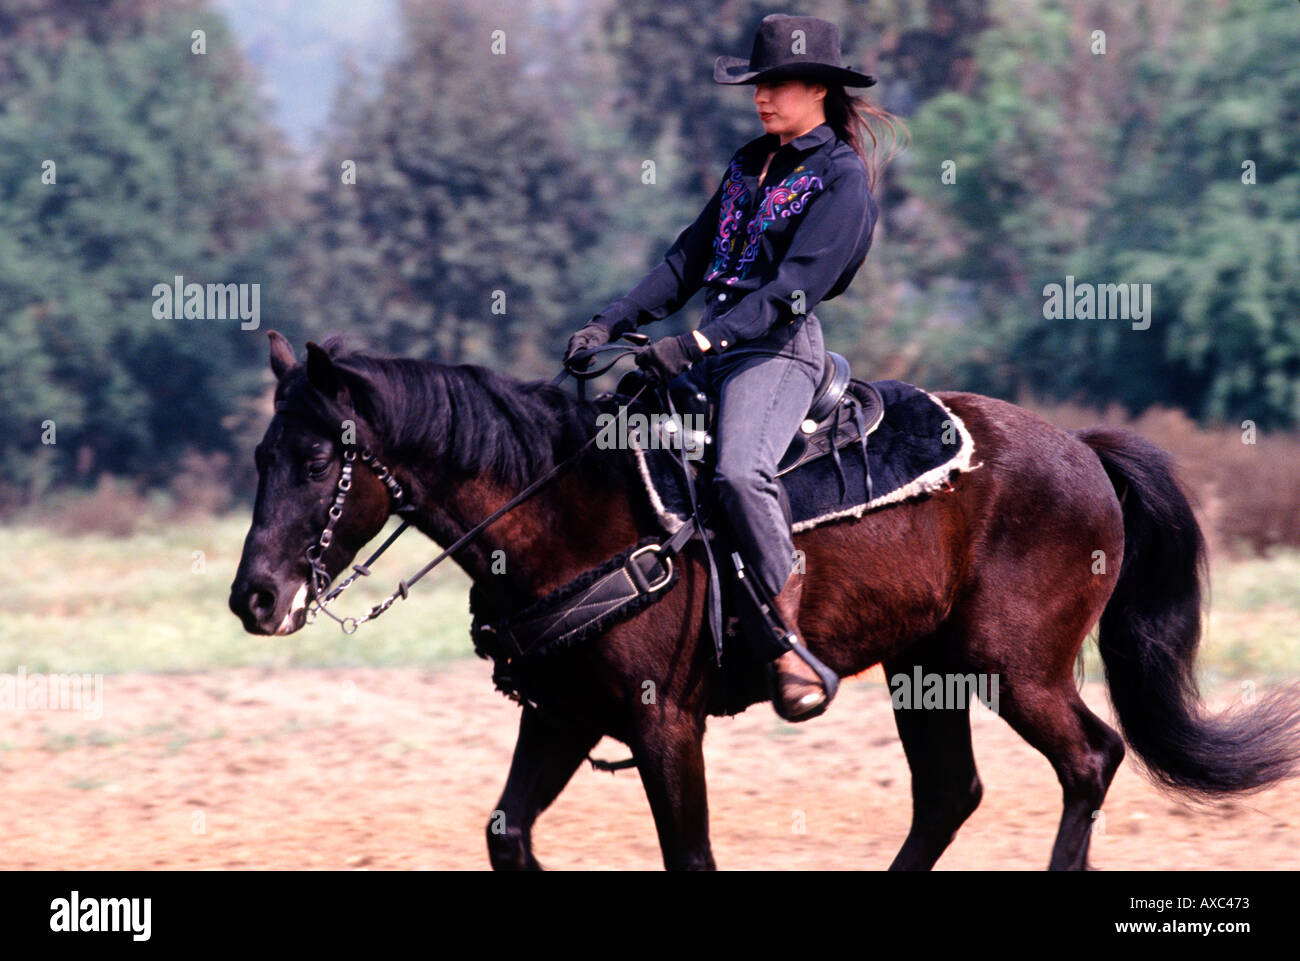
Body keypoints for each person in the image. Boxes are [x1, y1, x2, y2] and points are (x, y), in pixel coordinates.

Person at [565, 14, 898, 722]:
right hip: (715, 344)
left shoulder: (840, 180)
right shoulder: (748, 163)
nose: (761, 96)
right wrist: (612, 321)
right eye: (757, 85)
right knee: (616, 441)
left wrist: (699, 345)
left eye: (775, 84)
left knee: (739, 472)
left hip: (774, 352)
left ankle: (789, 643)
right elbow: (686, 259)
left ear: (817, 87)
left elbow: (791, 291)